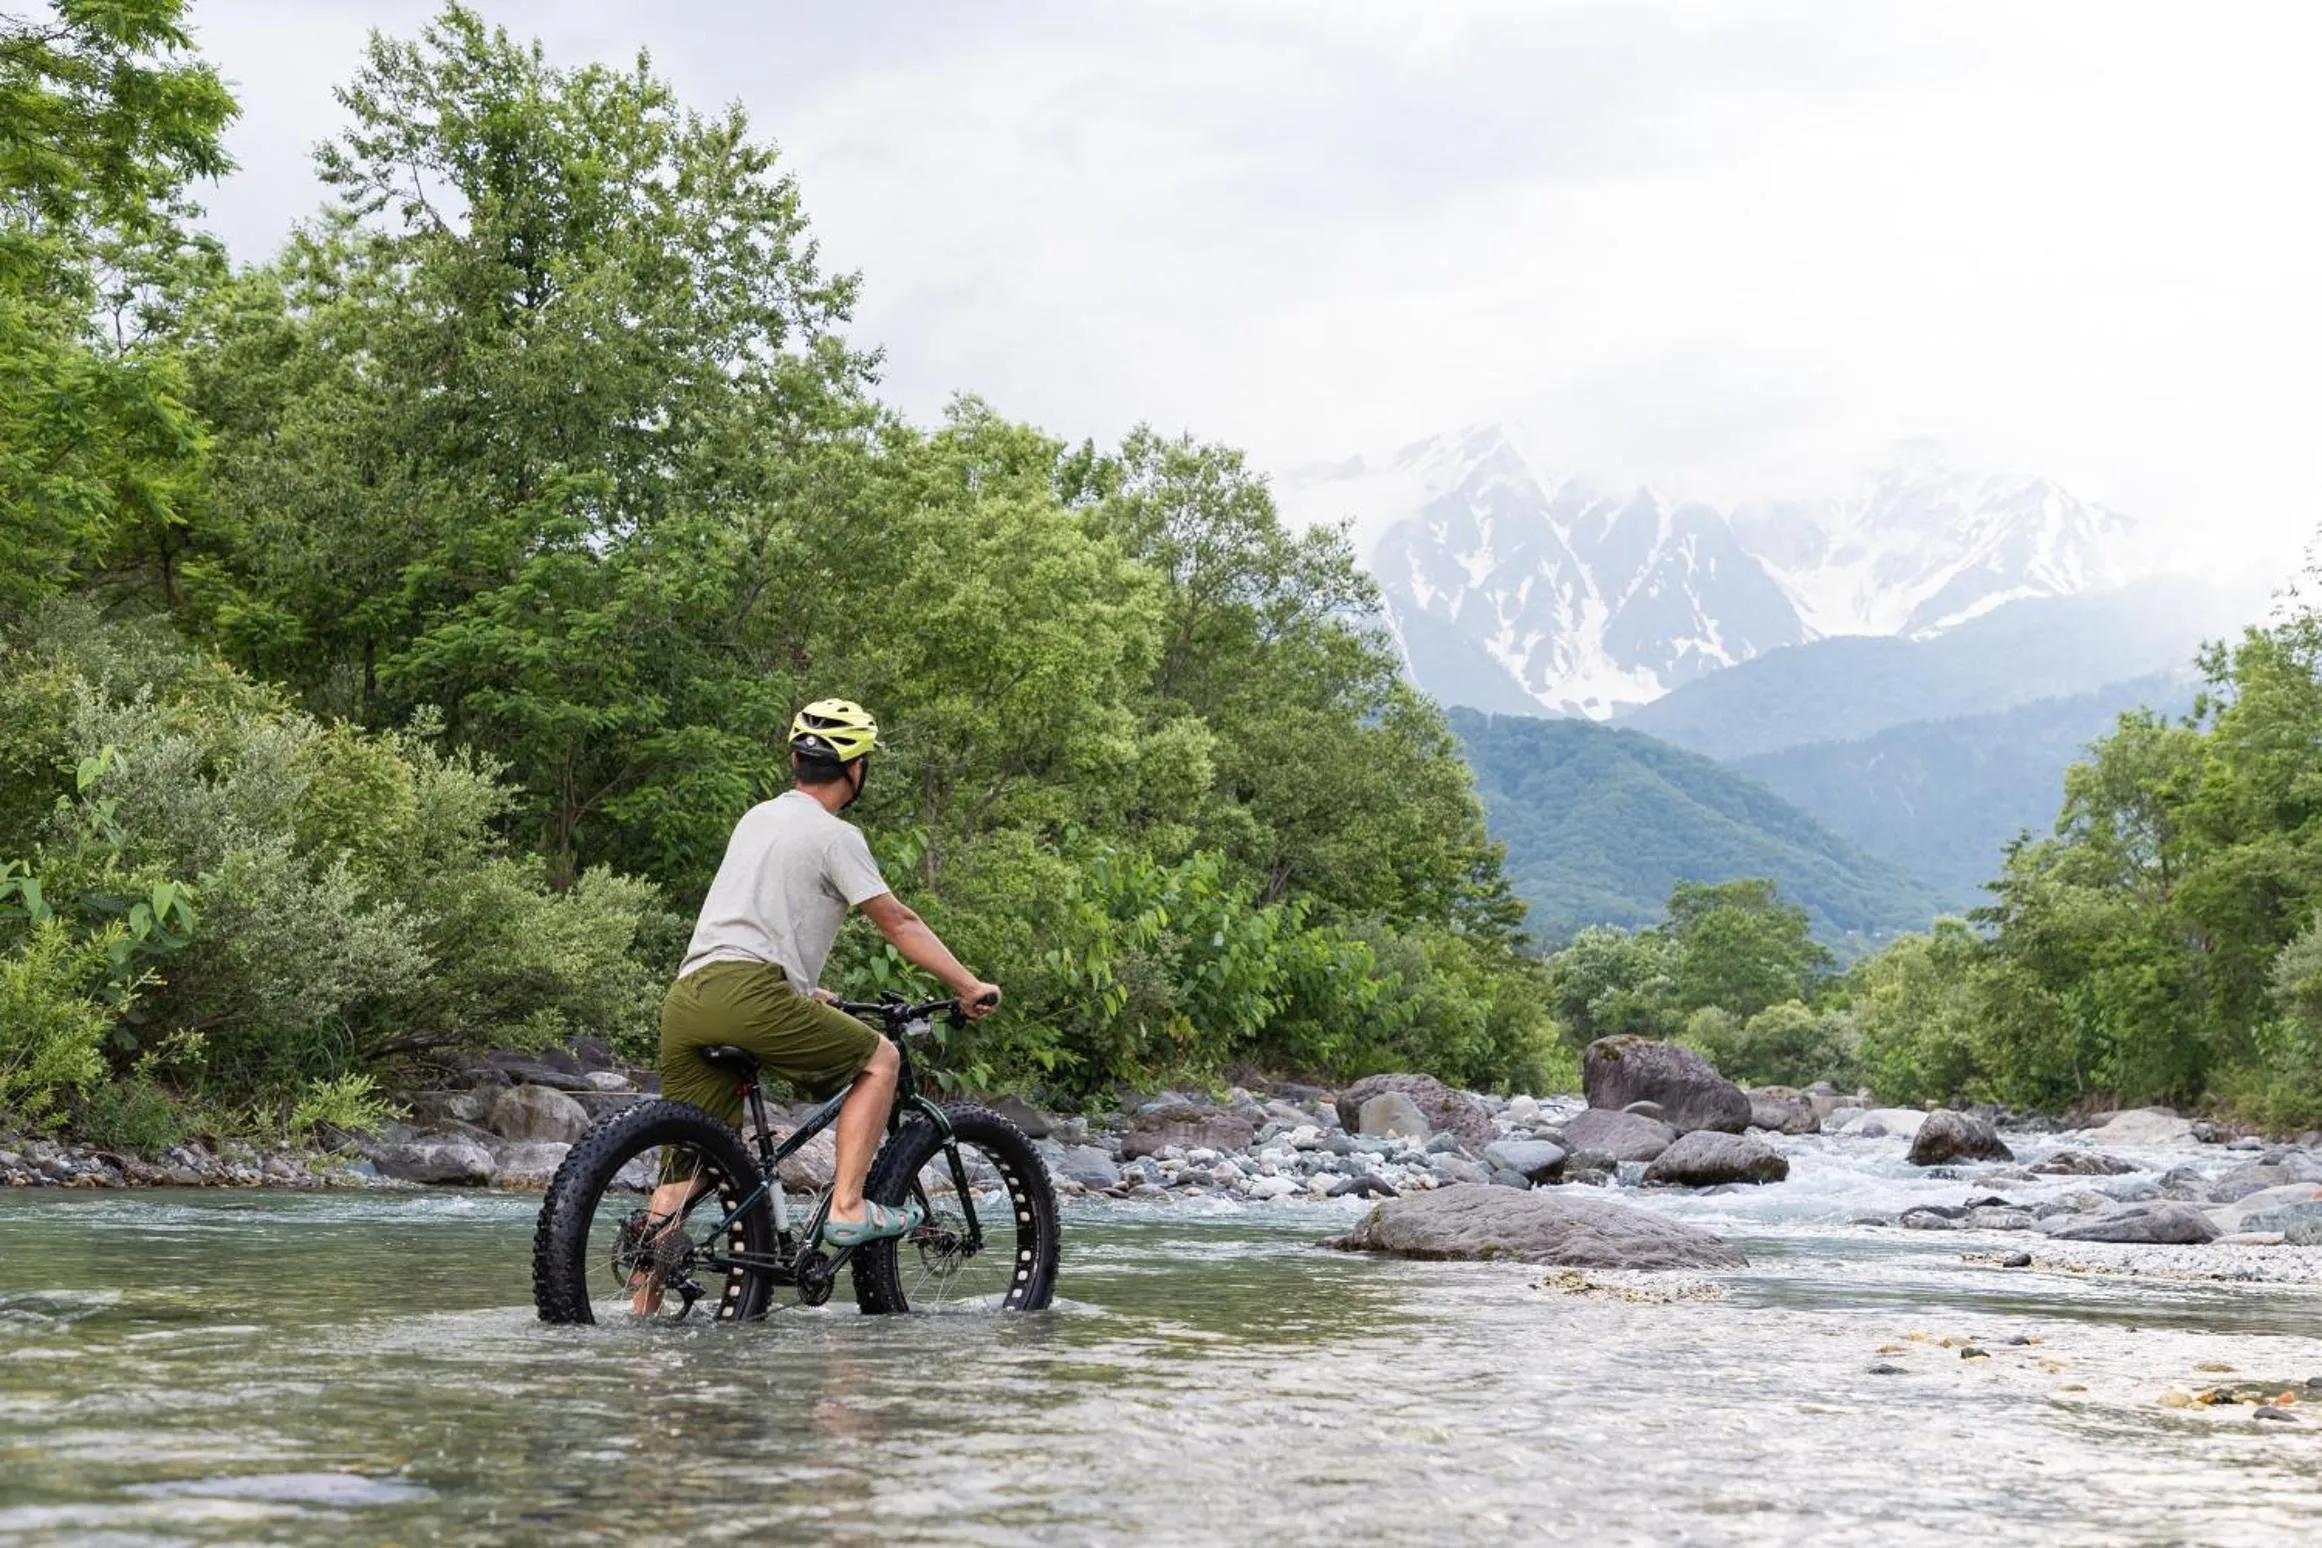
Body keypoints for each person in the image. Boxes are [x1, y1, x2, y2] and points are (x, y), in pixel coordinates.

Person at [640, 698, 999, 1306]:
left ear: (795, 758)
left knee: (688, 1166)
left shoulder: (756, 818)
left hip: (689, 996)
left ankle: (640, 1304)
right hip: (751, 994)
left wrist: (803, 990)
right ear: (855, 768)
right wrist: (968, 985)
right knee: (880, 1059)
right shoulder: (837, 836)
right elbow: (900, 922)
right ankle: (850, 1207)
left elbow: (753, 920)